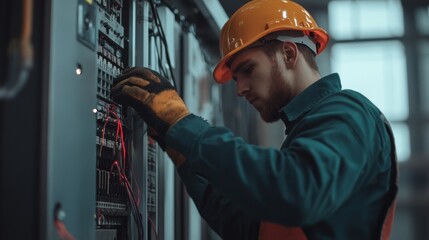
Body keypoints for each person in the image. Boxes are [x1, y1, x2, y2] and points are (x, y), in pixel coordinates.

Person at [111, 0, 398, 239]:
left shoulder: (349, 112)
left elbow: (297, 191)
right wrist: (180, 147)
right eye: (236, 78)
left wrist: (186, 126)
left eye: (248, 69)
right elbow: (249, 228)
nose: (239, 89)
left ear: (288, 53)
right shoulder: (307, 133)